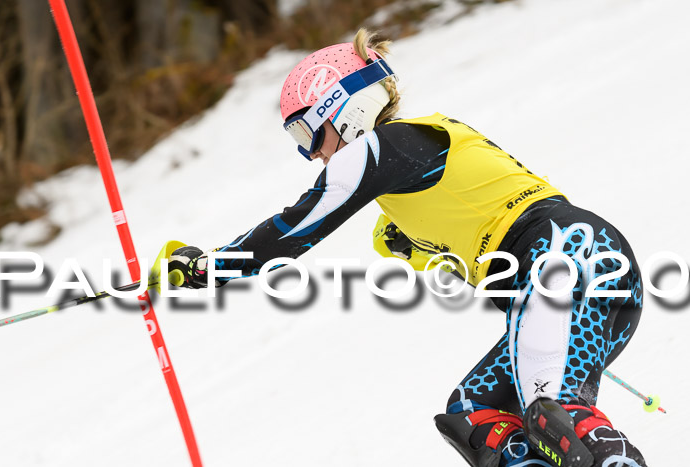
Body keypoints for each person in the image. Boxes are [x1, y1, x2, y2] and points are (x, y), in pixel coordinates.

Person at [168, 28, 646, 467]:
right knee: (474, 413)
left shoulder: (384, 146)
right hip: (584, 267)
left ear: (339, 106)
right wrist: (415, 249)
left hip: (568, 252)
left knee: (553, 415)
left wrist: (210, 267)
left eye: (305, 132)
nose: (310, 152)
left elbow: (295, 228)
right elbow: (489, 256)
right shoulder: (409, 164)